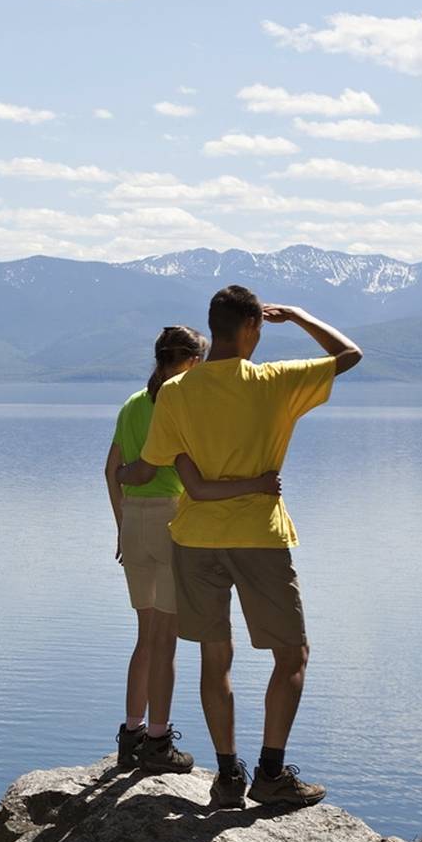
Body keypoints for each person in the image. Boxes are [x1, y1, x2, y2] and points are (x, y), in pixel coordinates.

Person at [141, 285, 362, 810]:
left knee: (214, 659)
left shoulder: (176, 392)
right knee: (291, 655)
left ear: (211, 328)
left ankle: (225, 776)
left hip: (194, 540)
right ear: (251, 328)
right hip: (259, 537)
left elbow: (170, 466)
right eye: (259, 328)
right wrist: (301, 314)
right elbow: (348, 354)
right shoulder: (273, 381)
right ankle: (270, 772)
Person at [106, 327, 284, 773]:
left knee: (145, 637)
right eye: (200, 360)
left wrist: (122, 525)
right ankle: (158, 742)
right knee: (165, 641)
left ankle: (131, 732)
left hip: (135, 522)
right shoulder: (181, 400)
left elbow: (113, 470)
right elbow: (195, 479)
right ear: (190, 361)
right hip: (171, 520)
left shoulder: (132, 403)